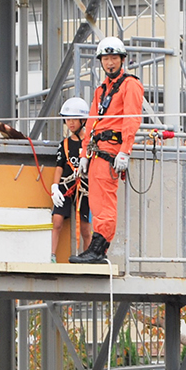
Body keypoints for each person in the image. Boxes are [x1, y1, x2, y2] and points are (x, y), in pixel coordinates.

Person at [71, 36, 143, 265]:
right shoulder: (101, 90)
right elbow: (92, 122)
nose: (110, 63)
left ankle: (100, 247)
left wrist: (125, 151)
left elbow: (132, 119)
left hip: (111, 149)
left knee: (104, 202)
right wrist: (83, 154)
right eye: (106, 59)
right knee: (95, 201)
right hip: (96, 151)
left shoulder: (130, 84)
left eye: (113, 58)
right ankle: (96, 247)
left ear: (122, 59)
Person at [50, 96, 92, 261]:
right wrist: (55, 186)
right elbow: (59, 166)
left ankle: (89, 257)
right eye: (68, 119)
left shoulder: (89, 144)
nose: (71, 122)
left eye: (74, 118)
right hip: (66, 186)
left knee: (85, 228)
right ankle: (52, 255)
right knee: (57, 221)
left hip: (84, 187)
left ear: (83, 120)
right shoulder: (64, 144)